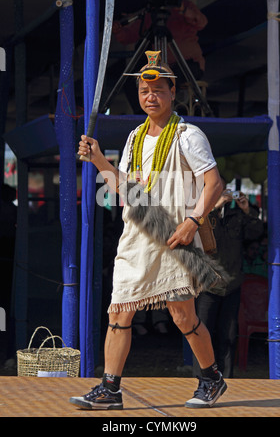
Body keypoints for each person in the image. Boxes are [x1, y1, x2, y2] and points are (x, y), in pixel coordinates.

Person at [70, 50, 228, 410]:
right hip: (137, 237)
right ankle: (110, 389)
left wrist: (192, 223)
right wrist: (98, 159)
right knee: (118, 311)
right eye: (144, 90)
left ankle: (212, 378)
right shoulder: (134, 138)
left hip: (176, 235)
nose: (150, 96)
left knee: (182, 315)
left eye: (158, 90)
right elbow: (125, 188)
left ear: (174, 92)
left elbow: (214, 185)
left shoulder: (189, 135)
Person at [193, 182, 264, 378]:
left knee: (229, 336)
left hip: (232, 284)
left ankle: (227, 378)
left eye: (223, 187)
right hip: (208, 285)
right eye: (216, 188)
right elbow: (195, 229)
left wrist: (247, 210)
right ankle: (203, 379)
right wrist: (215, 206)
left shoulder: (236, 217)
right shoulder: (201, 214)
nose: (222, 191)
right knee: (201, 334)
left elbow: (256, 232)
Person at [110, 0, 208, 113]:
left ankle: (167, 116)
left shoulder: (185, 6)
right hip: (160, 67)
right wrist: (118, 30)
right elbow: (128, 36)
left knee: (164, 82)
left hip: (188, 64)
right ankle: (145, 118)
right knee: (133, 80)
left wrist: (182, 9)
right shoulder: (150, 13)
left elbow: (201, 22)